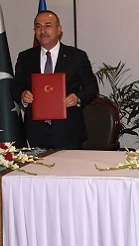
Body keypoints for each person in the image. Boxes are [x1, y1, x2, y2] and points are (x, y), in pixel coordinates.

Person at [11, 10, 98, 149]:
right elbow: (15, 86)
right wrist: (22, 95)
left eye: (48, 25)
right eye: (38, 26)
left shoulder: (76, 56)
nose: (43, 31)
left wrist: (78, 97)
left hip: (69, 131)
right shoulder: (25, 57)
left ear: (59, 29)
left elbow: (92, 86)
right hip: (36, 131)